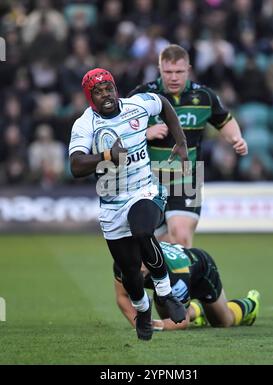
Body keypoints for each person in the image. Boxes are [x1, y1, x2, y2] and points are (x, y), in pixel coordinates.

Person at [69, 68, 189, 341]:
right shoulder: (85, 124)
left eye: (109, 88)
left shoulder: (137, 105)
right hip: (111, 202)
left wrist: (180, 141)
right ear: (90, 98)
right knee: (129, 271)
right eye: (98, 92)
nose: (106, 95)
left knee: (143, 231)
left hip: (145, 189)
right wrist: (108, 155)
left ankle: (166, 293)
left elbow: (164, 104)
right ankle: (143, 310)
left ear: (116, 88)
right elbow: (76, 166)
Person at [128, 44, 248, 248]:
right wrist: (146, 133)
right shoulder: (141, 97)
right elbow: (119, 134)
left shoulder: (204, 97)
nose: (174, 77)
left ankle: (180, 278)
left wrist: (236, 137)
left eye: (179, 72)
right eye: (168, 72)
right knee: (146, 249)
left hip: (187, 177)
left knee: (181, 238)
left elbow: (225, 120)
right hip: (148, 181)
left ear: (188, 70)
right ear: (160, 69)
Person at [114, 241, 260, 331]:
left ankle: (251, 304)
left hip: (202, 272)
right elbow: (122, 296)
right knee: (170, 313)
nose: (136, 268)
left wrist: (154, 325)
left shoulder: (176, 274)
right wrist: (139, 323)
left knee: (223, 322)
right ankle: (196, 310)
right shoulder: (122, 264)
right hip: (169, 282)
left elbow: (181, 322)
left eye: (141, 262)